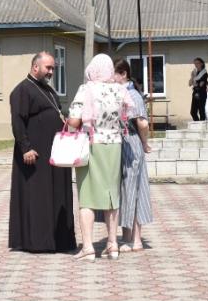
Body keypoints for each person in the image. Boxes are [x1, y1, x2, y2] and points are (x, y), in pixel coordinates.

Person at [7, 52, 75, 254]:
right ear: (35, 67)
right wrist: (25, 147)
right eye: (48, 68)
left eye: (53, 68)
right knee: (38, 197)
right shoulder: (22, 90)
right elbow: (18, 121)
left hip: (53, 152)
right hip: (34, 154)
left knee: (56, 195)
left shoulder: (48, 90)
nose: (51, 72)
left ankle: (58, 240)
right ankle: (37, 241)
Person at [68, 53, 131, 261]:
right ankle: (112, 245)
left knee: (87, 196)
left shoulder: (87, 89)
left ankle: (88, 247)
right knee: (112, 196)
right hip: (115, 145)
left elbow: (74, 121)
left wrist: (68, 122)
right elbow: (125, 117)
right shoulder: (120, 89)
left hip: (91, 145)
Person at [115, 60, 155, 253]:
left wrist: (144, 143)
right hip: (123, 143)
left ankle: (136, 239)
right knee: (125, 190)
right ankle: (127, 236)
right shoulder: (121, 92)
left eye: (113, 74)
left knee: (134, 190)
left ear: (123, 74)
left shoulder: (133, 95)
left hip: (131, 143)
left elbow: (143, 123)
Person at [188, 58, 208, 122]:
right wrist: (192, 77)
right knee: (193, 112)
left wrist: (195, 83)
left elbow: (200, 85)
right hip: (195, 93)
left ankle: (202, 125)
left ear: (201, 64)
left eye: (197, 63)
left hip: (201, 93)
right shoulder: (195, 73)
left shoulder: (204, 73)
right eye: (195, 63)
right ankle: (198, 124)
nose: (196, 65)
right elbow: (189, 84)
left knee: (201, 111)